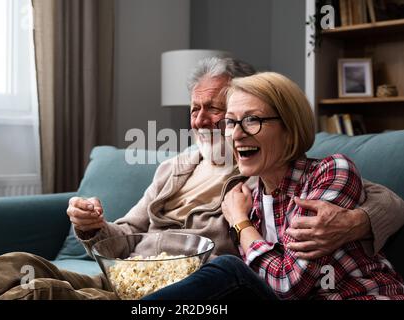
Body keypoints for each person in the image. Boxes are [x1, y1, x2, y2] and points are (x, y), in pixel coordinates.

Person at [0, 59, 403, 300]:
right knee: (16, 264)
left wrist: (360, 220)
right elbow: (126, 235)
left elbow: (380, 196)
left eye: (222, 110)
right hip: (124, 274)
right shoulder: (178, 167)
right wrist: (92, 227)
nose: (209, 122)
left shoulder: (257, 174)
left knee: (38, 294)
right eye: (198, 109)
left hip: (179, 286)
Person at [144, 72, 404, 300]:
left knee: (230, 270)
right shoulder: (246, 195)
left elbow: (288, 284)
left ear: (289, 128)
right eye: (231, 122)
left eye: (252, 120)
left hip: (359, 296)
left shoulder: (330, 171)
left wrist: (240, 223)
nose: (236, 134)